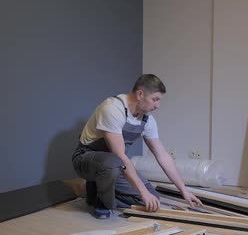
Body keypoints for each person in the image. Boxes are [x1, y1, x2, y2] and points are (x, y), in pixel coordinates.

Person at [71, 74, 204, 219]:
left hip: (116, 165)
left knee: (152, 201)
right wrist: (142, 191)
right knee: (114, 165)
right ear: (140, 94)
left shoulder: (147, 119)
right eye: (155, 99)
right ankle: (97, 200)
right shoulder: (113, 109)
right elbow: (119, 155)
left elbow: (162, 155)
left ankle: (94, 187)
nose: (157, 105)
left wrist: (183, 190)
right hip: (87, 159)